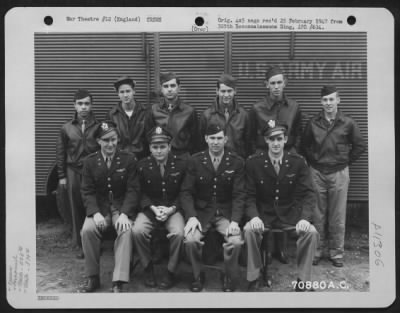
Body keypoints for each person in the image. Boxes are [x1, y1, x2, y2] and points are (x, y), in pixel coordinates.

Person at [244, 120, 319, 292]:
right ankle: (254, 277)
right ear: (266, 141)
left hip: (290, 215)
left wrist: (305, 218)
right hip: (264, 215)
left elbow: (308, 194)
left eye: (279, 139)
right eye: (272, 139)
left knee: (311, 233)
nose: (276, 143)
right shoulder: (253, 162)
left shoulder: (298, 162)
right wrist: (254, 216)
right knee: (249, 231)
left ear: (285, 140)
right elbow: (249, 195)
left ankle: (303, 280)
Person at [301, 85, 366, 267]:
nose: (328, 103)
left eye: (332, 99)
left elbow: (360, 146)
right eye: (325, 100)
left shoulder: (347, 122)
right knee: (317, 214)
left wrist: (344, 162)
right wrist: (313, 161)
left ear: (338, 100)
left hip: (339, 173)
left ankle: (336, 253)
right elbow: (304, 146)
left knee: (338, 215)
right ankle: (316, 251)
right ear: (321, 102)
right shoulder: (313, 122)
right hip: (317, 172)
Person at [248, 65, 303, 264]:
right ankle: (267, 248)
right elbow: (250, 136)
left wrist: (293, 154)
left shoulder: (294, 107)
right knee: (267, 201)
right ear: (266, 85)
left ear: (285, 83)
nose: (276, 87)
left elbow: (297, 133)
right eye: (272, 83)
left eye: (280, 82)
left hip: (287, 159)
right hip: (264, 160)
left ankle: (281, 248)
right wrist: (258, 158)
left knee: (285, 200)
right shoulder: (257, 109)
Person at [181, 123, 245, 292]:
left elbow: (239, 194)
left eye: (219, 138)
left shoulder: (236, 162)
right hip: (202, 213)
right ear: (205, 139)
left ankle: (228, 275)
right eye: (212, 138)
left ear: (225, 139)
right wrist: (192, 216)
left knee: (235, 242)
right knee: (191, 240)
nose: (215, 142)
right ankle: (197, 274)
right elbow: (186, 192)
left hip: (226, 214)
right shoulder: (195, 160)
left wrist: (235, 221)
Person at [80, 121, 139, 293]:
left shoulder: (128, 159)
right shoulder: (90, 162)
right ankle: (93, 277)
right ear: (98, 141)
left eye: (113, 139)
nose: (110, 144)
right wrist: (94, 213)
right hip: (100, 207)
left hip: (120, 207)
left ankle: (118, 280)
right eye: (106, 140)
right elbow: (87, 191)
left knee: (126, 230)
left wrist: (125, 214)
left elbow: (133, 189)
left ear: (118, 139)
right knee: (87, 230)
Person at [132, 126, 187, 290]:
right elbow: (139, 192)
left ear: (169, 147)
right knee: (137, 231)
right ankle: (147, 268)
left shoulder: (181, 164)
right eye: (155, 147)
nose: (159, 151)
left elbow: (185, 192)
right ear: (149, 148)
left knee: (178, 233)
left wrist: (171, 209)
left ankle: (170, 271)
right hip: (150, 210)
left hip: (173, 209)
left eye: (162, 147)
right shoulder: (142, 165)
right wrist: (154, 209)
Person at [56, 88, 100, 258]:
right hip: (73, 170)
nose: (83, 107)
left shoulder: (98, 126)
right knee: (76, 207)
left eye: (87, 104)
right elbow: (61, 152)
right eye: (80, 104)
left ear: (91, 105)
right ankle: (80, 244)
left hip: (92, 171)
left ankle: (95, 241)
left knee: (93, 204)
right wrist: (62, 176)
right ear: (74, 105)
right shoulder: (66, 128)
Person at [145, 72, 199, 156]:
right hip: (159, 156)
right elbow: (148, 138)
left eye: (173, 86)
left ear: (179, 88)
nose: (169, 89)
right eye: (166, 86)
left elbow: (196, 140)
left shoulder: (189, 111)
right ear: (161, 89)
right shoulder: (153, 110)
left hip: (182, 157)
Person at [199, 73, 252, 159]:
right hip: (213, 165)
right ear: (217, 91)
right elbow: (200, 145)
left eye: (229, 91)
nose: (226, 95)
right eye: (223, 91)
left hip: (237, 164)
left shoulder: (244, 115)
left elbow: (249, 144)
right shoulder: (206, 116)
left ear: (235, 91)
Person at [106, 76, 149, 160]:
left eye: (128, 91)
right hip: (120, 158)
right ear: (118, 94)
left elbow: (149, 138)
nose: (125, 95)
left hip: (141, 158)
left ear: (134, 91)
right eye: (122, 92)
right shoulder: (112, 114)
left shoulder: (145, 112)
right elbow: (109, 140)